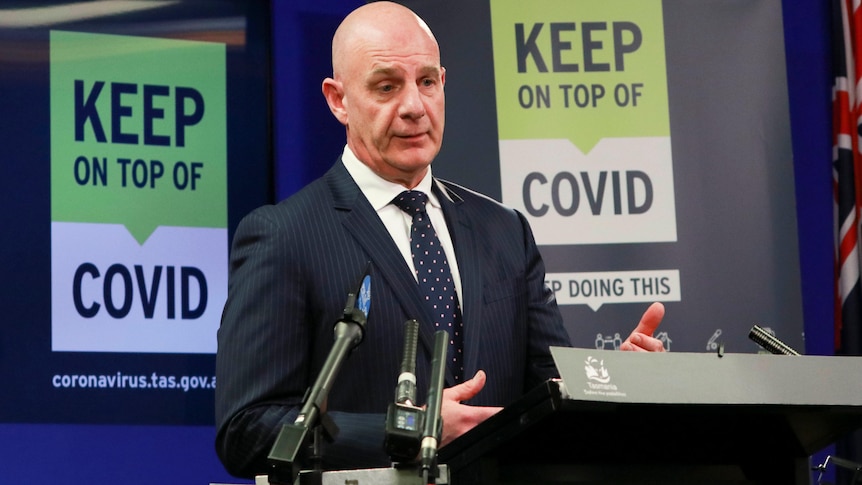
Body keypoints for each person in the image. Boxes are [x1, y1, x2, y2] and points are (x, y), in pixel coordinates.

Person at [214, 1, 666, 478]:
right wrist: (409, 432)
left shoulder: (504, 230)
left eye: (427, 82)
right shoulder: (284, 236)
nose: (414, 106)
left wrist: (608, 386)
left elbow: (546, 397)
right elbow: (247, 429)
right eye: (387, 86)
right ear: (338, 99)